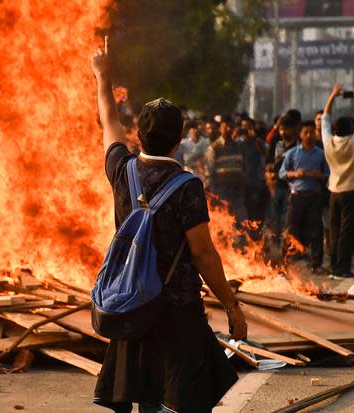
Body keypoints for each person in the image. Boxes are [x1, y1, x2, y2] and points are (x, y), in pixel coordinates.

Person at [90, 39, 245, 413]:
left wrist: (101, 75)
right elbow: (204, 255)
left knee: (144, 398)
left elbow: (108, 119)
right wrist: (232, 305)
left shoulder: (121, 170)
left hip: (132, 308)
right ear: (179, 140)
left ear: (139, 136)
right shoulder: (187, 186)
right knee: (184, 402)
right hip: (177, 313)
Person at [322, 83, 354, 279]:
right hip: (352, 193)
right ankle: (342, 268)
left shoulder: (328, 142)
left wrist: (332, 96)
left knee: (334, 229)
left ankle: (333, 266)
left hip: (334, 191)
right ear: (351, 129)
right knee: (347, 233)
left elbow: (325, 119)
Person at [279, 121, 329, 273]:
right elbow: (282, 173)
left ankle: (316, 264)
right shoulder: (292, 153)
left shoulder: (320, 154)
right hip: (297, 197)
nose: (309, 135)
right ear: (300, 135)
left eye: (311, 132)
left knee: (316, 231)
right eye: (306, 132)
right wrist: (295, 174)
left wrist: (320, 175)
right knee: (291, 229)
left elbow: (328, 174)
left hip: (314, 197)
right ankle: (285, 263)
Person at [205, 115, 248, 224]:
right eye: (226, 127)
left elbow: (243, 168)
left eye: (231, 127)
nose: (229, 129)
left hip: (237, 190)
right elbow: (209, 173)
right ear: (220, 129)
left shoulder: (239, 147)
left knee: (242, 221)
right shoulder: (214, 148)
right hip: (221, 190)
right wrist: (211, 192)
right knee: (225, 221)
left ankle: (241, 241)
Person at [266, 114, 298, 247]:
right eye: (281, 129)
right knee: (275, 217)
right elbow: (268, 162)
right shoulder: (277, 144)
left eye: (286, 129)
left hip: (291, 187)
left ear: (293, 129)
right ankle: (275, 245)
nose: (283, 132)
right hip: (277, 185)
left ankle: (287, 247)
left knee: (287, 218)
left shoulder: (298, 147)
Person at [238, 117, 269, 224]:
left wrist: (255, 139)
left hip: (256, 181)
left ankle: (256, 233)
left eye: (248, 127)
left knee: (255, 210)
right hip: (242, 182)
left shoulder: (258, 142)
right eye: (243, 127)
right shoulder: (238, 143)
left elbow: (266, 156)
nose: (246, 129)